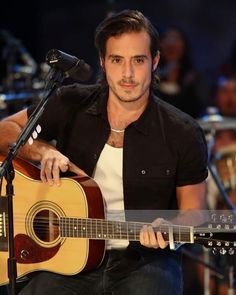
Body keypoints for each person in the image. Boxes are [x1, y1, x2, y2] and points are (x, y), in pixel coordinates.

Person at [0, 10, 208, 295]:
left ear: (155, 61)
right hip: (67, 256)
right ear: (102, 61)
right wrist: (40, 150)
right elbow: (5, 130)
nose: (127, 74)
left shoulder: (182, 132)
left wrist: (169, 226)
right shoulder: (70, 102)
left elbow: (194, 213)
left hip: (144, 262)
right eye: (116, 60)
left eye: (138, 60)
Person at [153, 26, 208, 118]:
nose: (172, 43)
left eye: (176, 39)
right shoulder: (151, 75)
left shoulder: (194, 77)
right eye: (167, 39)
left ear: (184, 46)